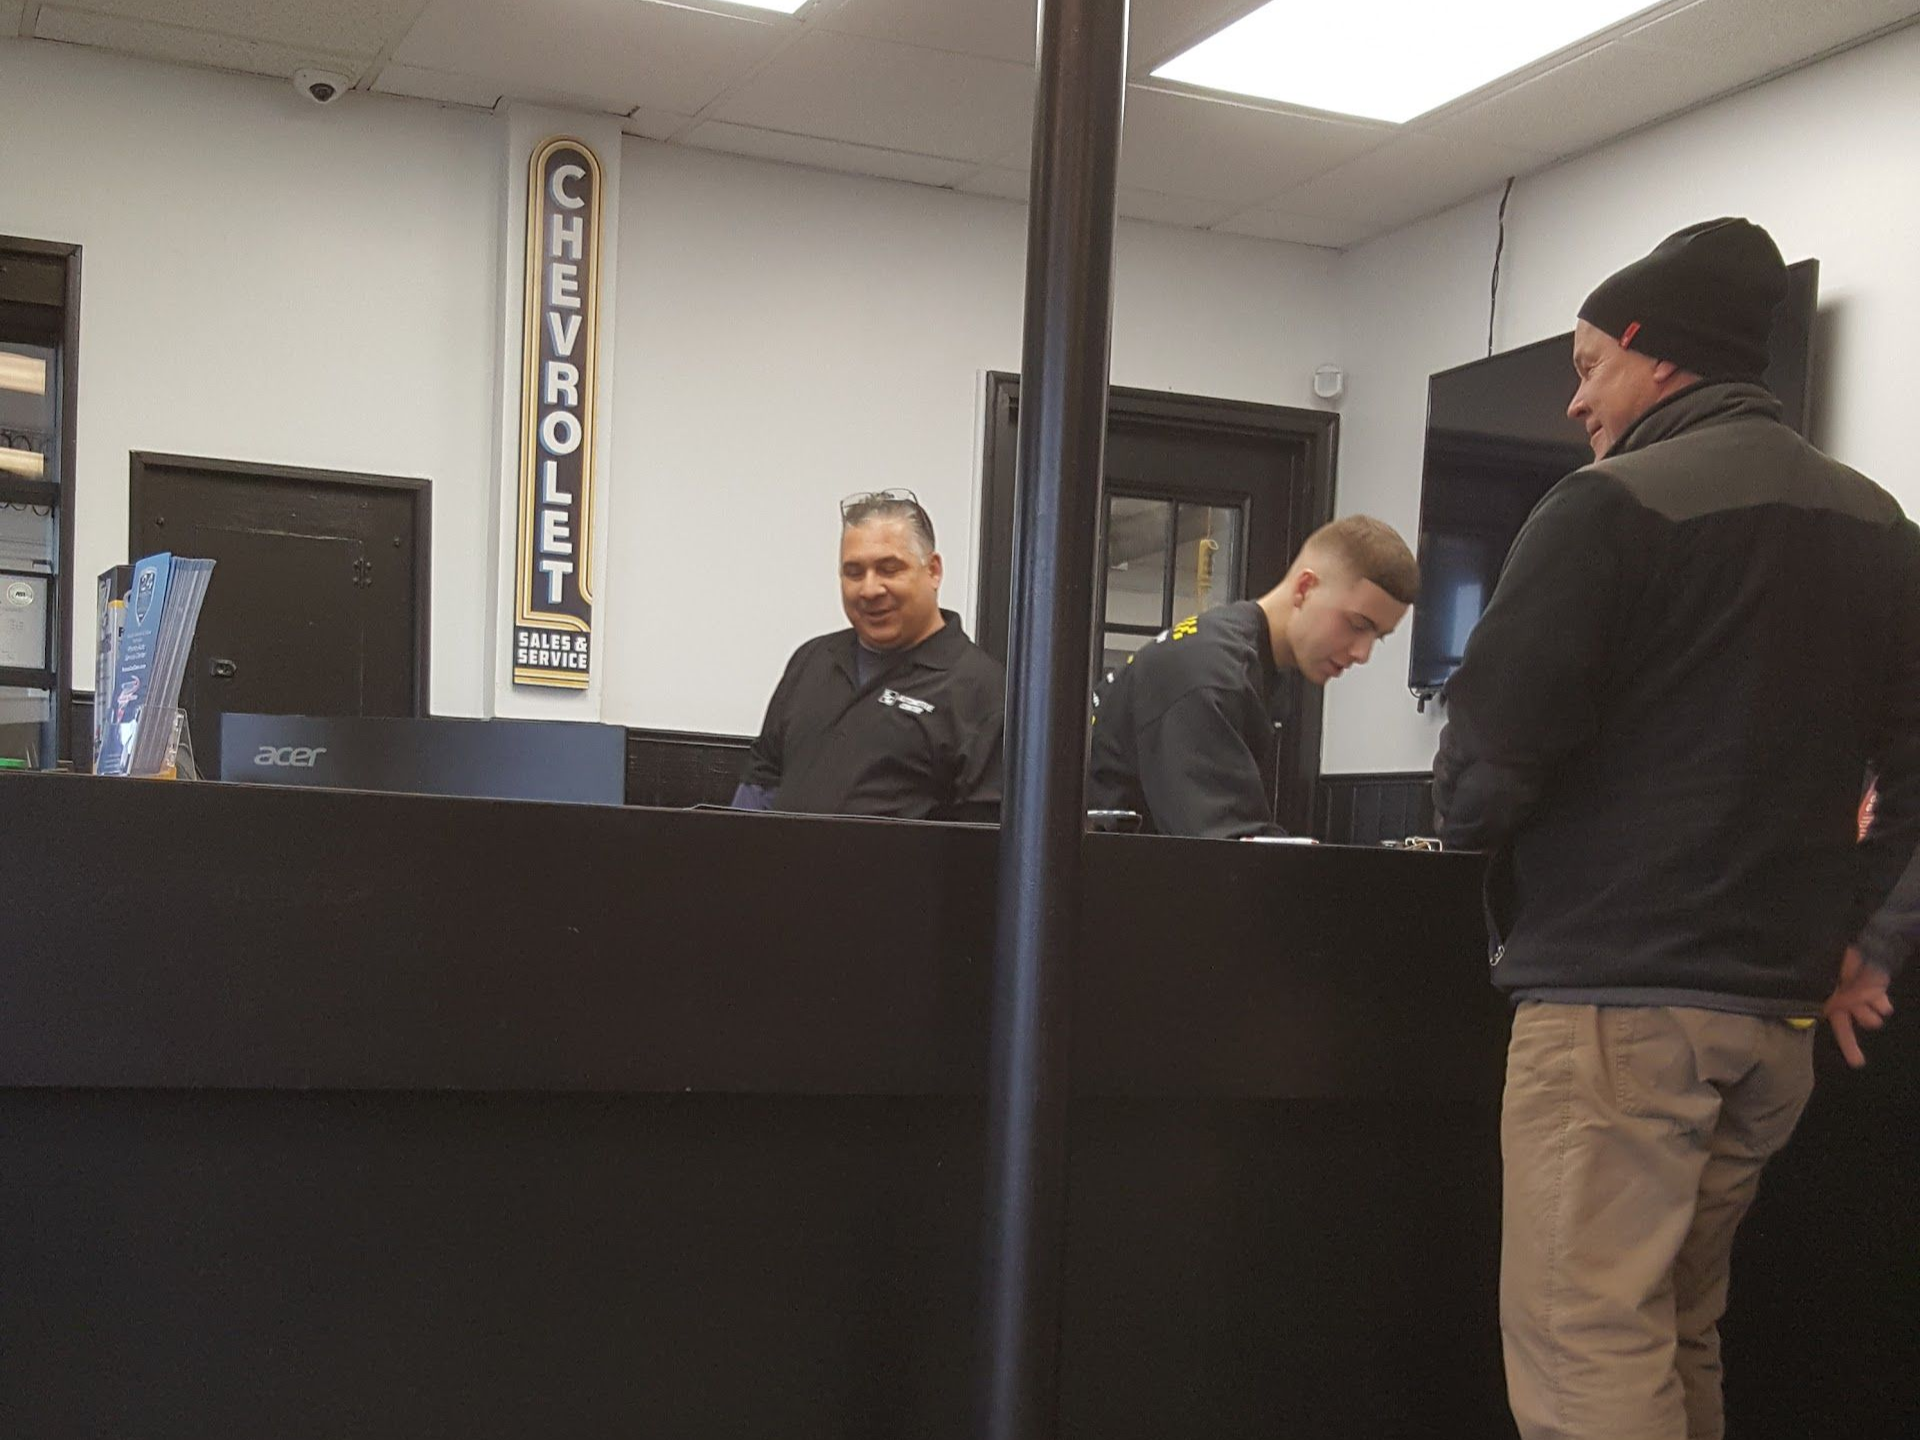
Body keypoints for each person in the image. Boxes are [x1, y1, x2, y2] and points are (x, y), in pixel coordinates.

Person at [1433, 217, 1920, 1440]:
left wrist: (1473, 827)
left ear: (1661, 359)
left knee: (1586, 1337)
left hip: (1617, 1009)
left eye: (1590, 365)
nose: (1575, 404)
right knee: (1675, 1326)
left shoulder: (1608, 509)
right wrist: (1870, 935)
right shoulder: (1886, 532)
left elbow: (1486, 763)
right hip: (1775, 1019)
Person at [1086, 515, 1418, 837]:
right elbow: (1229, 853)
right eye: (1358, 625)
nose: (1363, 653)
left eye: (1378, 637)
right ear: (1305, 588)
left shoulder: (1246, 662)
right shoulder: (1212, 675)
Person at [733, 489, 1005, 822]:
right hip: (781, 874)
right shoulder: (813, 660)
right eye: (854, 572)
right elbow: (761, 783)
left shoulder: (983, 692)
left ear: (933, 571)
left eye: (889, 569)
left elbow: (981, 844)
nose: (870, 590)